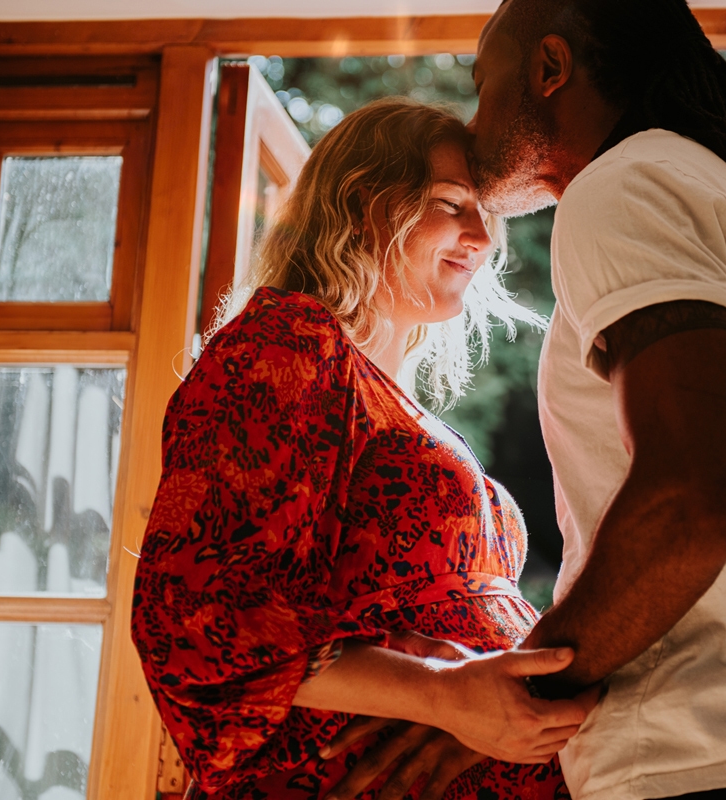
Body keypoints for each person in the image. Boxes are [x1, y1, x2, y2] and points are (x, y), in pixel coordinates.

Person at [330, 1, 726, 798]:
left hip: (696, 773)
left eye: (485, 87)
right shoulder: (721, 198)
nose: (475, 121)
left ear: (550, 69)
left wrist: (511, 699)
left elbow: (699, 496)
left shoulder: (622, 186)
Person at [130, 98, 597, 800]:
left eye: (484, 216)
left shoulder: (384, 394)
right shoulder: (283, 346)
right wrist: (440, 693)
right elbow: (196, 611)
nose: (482, 237)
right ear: (361, 204)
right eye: (450, 205)